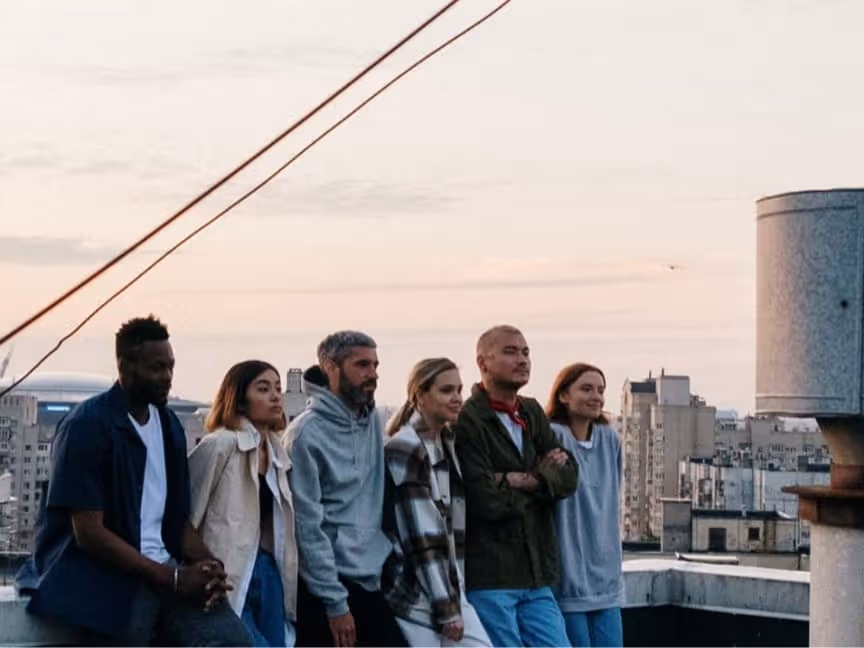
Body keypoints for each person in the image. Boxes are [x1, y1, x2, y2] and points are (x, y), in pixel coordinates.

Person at [16, 315, 251, 646]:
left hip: (164, 572)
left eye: (171, 367)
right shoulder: (87, 426)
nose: (167, 378)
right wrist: (171, 578)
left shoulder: (169, 426)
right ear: (125, 366)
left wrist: (208, 565)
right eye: (157, 368)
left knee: (232, 640)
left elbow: (177, 521)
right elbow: (89, 534)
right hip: (110, 579)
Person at [454, 325, 578, 648]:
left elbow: (569, 478)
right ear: (483, 363)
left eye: (525, 352)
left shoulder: (531, 411)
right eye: (510, 352)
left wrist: (516, 479)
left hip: (536, 574)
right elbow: (486, 501)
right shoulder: (469, 419)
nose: (522, 360)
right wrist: (541, 481)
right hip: (492, 577)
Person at [285, 331, 407, 647]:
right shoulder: (305, 435)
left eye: (376, 365)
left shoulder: (372, 421)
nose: (374, 374)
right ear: (330, 367)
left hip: (373, 577)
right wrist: (335, 603)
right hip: (328, 587)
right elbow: (307, 526)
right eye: (362, 365)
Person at [382, 358, 492, 648]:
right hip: (415, 595)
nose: (457, 398)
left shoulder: (446, 441)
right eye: (446, 391)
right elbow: (421, 537)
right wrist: (447, 609)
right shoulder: (406, 448)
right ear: (419, 395)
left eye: (458, 390)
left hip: (450, 590)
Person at [188, 360, 299, 647]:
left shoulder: (277, 452)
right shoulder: (221, 445)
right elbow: (186, 513)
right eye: (263, 389)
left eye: (278, 388)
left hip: (269, 571)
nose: (275, 396)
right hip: (228, 570)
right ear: (238, 399)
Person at [546, 363, 624, 648]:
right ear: (564, 395)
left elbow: (612, 495)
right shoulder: (552, 435)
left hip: (606, 580)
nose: (597, 397)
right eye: (587, 388)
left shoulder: (609, 439)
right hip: (567, 577)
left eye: (601, 390)